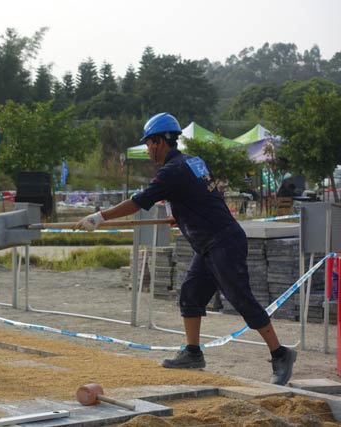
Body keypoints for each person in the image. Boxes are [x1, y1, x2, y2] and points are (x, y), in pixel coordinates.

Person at [75, 112, 297, 386]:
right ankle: (193, 353)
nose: (148, 150)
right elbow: (200, 195)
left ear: (158, 141)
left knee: (240, 298)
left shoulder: (172, 171)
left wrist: (100, 217)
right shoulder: (193, 161)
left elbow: (139, 201)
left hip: (222, 241)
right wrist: (180, 214)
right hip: (210, 243)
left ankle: (280, 354)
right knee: (190, 294)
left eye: (148, 143)